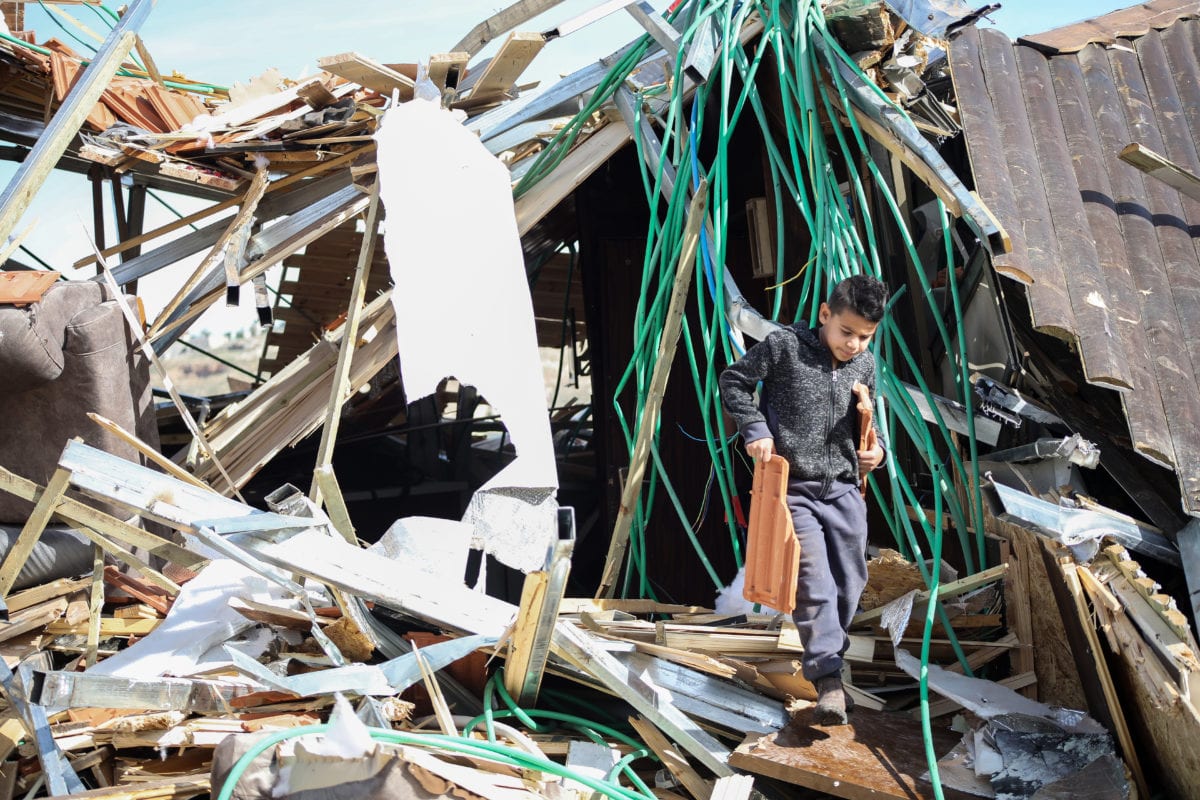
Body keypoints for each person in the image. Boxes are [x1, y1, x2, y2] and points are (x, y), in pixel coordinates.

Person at [719, 274, 889, 726]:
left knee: (850, 582)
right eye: (846, 332)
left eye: (864, 337)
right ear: (825, 315)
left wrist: (877, 450)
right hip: (794, 488)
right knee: (814, 581)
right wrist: (757, 432)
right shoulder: (783, 347)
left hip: (845, 490)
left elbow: (872, 417)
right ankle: (828, 680)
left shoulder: (864, 364)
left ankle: (831, 656)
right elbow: (734, 381)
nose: (853, 344)